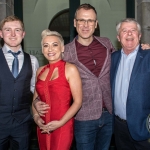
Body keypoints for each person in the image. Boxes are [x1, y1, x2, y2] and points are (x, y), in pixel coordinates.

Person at [33, 4, 115, 150]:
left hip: (108, 114)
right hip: (83, 117)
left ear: (96, 24)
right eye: (81, 20)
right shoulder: (65, 51)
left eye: (90, 21)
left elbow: (121, 61)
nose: (85, 25)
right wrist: (37, 102)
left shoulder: (107, 44)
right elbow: (52, 79)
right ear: (75, 23)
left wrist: (142, 49)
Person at [32, 29, 82, 150]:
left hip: (62, 125)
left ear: (62, 48)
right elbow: (34, 100)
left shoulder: (70, 69)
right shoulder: (40, 71)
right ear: (42, 50)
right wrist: (36, 117)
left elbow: (78, 101)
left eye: (55, 45)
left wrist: (60, 122)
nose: (50, 49)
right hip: (42, 126)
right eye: (46, 45)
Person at [0, 15, 39, 150]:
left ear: (23, 34)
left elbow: (35, 90)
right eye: (7, 30)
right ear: (1, 33)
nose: (12, 34)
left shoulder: (32, 60)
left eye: (17, 30)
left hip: (22, 124)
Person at [110, 18, 150, 150]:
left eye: (133, 30)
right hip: (119, 127)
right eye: (124, 31)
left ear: (139, 36)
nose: (129, 34)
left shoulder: (148, 56)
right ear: (118, 37)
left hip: (143, 127)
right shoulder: (113, 58)